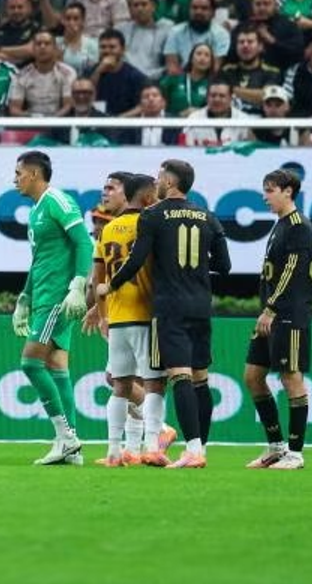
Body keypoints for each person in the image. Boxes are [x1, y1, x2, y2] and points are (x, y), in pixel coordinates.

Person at [98, 160, 232, 469]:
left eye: (160, 176)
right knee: (200, 379)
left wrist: (110, 286)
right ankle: (201, 448)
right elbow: (223, 266)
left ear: (170, 182)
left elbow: (136, 260)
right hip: (201, 303)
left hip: (170, 306)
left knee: (178, 376)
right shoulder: (208, 216)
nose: (157, 181)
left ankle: (193, 450)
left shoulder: (154, 215)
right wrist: (195, 267)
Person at [85, 173, 176, 467]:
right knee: (153, 384)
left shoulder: (108, 230)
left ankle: (115, 451)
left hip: (118, 317)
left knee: (120, 386)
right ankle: (153, 445)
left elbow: (98, 279)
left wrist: (101, 313)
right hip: (146, 314)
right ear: (148, 197)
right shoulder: (150, 225)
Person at [10, 151, 94, 465]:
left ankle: (67, 437)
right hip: (43, 295)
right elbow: (40, 260)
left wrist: (78, 284)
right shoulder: (36, 211)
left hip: (59, 297)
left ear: (33, 173)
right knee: (58, 367)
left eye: (18, 172)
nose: (15, 179)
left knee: (31, 364)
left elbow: (84, 242)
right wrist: (24, 297)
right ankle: (70, 447)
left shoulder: (57, 200)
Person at [244, 169, 312, 471]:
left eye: (270, 190)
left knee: (291, 377)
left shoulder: (298, 226)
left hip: (288, 315)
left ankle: (296, 454)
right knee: (252, 376)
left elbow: (292, 271)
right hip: (271, 314)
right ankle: (275, 446)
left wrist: (271, 307)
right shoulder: (281, 225)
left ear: (288, 191)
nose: (265, 196)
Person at [163, 0, 230, 77]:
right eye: (194, 8)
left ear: (213, 13)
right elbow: (172, 67)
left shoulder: (221, 34)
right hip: (181, 81)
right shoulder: (175, 32)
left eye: (204, 8)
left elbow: (216, 69)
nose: (198, 12)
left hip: (208, 82)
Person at [116, 0, 171, 81]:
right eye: (136, 5)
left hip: (156, 79)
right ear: (130, 9)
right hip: (126, 79)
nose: (140, 9)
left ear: (153, 6)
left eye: (144, 4)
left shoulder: (167, 28)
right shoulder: (121, 30)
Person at [184, 81, 253, 146]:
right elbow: (188, 149)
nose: (217, 99)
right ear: (207, 97)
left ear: (231, 98)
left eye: (222, 96)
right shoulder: (194, 118)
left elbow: (249, 150)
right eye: (213, 95)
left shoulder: (243, 119)